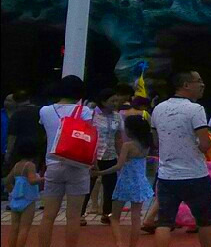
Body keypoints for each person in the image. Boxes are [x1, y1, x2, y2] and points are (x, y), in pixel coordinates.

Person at [150, 71, 211, 247]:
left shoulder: (158, 109)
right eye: (199, 81)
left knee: (164, 222)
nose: (202, 84)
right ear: (186, 85)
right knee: (206, 220)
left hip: (166, 176)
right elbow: (205, 144)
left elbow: (155, 141)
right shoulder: (196, 109)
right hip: (195, 174)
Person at [35, 74, 96, 247]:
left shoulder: (45, 111)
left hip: (53, 164)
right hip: (78, 165)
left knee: (48, 215)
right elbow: (88, 136)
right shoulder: (84, 111)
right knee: (73, 216)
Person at [96, 114, 156, 247]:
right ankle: (133, 245)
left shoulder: (127, 145)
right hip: (140, 183)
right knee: (136, 218)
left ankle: (119, 243)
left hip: (125, 182)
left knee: (114, 217)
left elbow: (118, 166)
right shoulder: (146, 145)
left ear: (130, 130)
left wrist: (100, 173)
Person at [88, 86, 130, 224]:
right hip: (93, 154)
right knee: (89, 184)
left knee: (110, 185)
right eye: (113, 101)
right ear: (103, 102)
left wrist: (121, 154)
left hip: (110, 154)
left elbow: (118, 137)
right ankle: (80, 213)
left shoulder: (117, 116)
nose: (116, 103)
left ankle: (107, 213)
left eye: (117, 100)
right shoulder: (92, 114)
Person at [6, 140, 42, 247]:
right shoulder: (30, 165)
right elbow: (32, 180)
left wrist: (12, 191)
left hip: (15, 199)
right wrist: (42, 179)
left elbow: (7, 181)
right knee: (24, 228)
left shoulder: (17, 165)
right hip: (28, 199)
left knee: (14, 228)